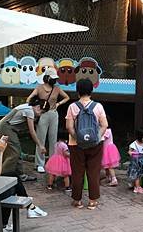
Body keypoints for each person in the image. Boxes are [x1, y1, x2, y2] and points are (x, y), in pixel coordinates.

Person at [66, 78, 108, 210]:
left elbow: (69, 127)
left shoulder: (72, 107)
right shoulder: (98, 106)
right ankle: (92, 201)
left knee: (77, 172)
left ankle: (77, 200)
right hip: (95, 145)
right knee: (93, 172)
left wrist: (78, 138)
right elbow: (104, 125)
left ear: (78, 91)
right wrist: (96, 138)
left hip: (76, 145)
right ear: (91, 90)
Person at [27, 67, 70, 174]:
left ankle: (52, 162)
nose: (54, 80)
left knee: (53, 139)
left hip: (54, 114)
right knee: (40, 138)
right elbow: (29, 99)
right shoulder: (39, 88)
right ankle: (39, 164)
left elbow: (67, 97)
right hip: (43, 114)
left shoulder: (57, 88)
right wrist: (35, 107)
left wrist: (58, 104)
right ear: (47, 77)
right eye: (53, 78)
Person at [0, 97, 45, 182]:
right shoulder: (29, 111)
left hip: (8, 128)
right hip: (6, 128)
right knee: (13, 154)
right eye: (42, 112)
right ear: (38, 107)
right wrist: (40, 145)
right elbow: (32, 131)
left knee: (17, 151)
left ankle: (21, 175)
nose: (40, 114)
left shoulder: (28, 107)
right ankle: (3, 175)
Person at [127, 127, 143, 194]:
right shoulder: (134, 144)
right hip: (135, 162)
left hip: (142, 162)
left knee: (139, 175)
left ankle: (135, 185)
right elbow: (129, 151)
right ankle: (137, 187)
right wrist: (131, 153)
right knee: (137, 175)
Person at [101, 116, 121, 187]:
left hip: (108, 149)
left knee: (110, 166)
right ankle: (108, 177)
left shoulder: (107, 130)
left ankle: (114, 179)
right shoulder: (106, 130)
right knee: (106, 165)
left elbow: (102, 138)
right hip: (106, 149)